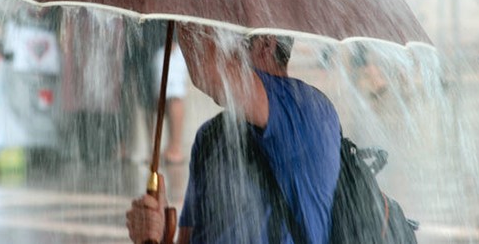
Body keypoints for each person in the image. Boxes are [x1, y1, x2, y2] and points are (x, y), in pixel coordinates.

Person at [127, 24, 342, 244]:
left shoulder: (307, 109)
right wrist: (155, 236)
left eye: (228, 35)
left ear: (267, 43)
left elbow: (208, 69)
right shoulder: (211, 135)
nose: (221, 45)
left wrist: (181, 4)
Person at [152, 40, 188, 164]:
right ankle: (169, 148)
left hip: (168, 41)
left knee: (173, 94)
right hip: (152, 42)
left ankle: (175, 148)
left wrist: (173, 39)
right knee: (164, 95)